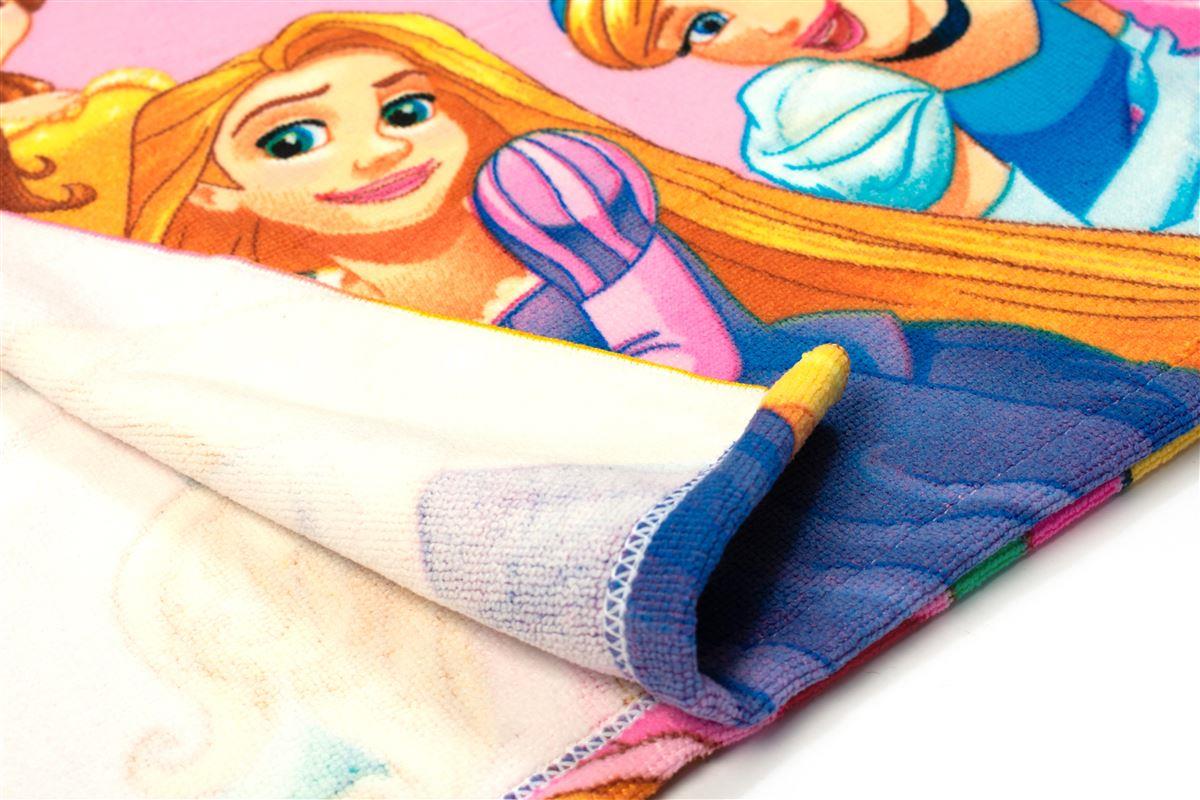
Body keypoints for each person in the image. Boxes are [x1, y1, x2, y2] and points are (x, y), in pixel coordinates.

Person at [53, 8, 1200, 722]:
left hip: (855, 435)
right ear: (220, 191)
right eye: (295, 138)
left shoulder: (562, 211)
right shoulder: (259, 333)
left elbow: (704, 374)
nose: (379, 147)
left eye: (407, 106)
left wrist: (623, 269)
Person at [553, 0, 1200, 231]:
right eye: (708, 24)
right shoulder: (859, 127)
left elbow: (1146, 47)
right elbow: (1090, 254)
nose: (774, 22)